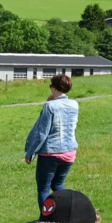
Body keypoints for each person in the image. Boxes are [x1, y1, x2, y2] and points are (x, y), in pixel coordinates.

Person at [24, 73, 80, 207]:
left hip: (51, 153)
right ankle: (73, 209)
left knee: (44, 188)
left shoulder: (50, 107)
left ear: (54, 88)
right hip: (69, 152)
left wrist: (30, 152)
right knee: (58, 184)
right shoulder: (74, 105)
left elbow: (42, 133)